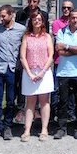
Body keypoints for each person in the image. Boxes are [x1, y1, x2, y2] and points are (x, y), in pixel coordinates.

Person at [0, 4, 26, 141]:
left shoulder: (21, 30)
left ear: (11, 15)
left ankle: (8, 125)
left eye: (4, 16)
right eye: (0, 16)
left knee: (10, 100)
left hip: (12, 69)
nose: (1, 18)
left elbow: (25, 46)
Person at [54, 8, 77, 140]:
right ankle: (61, 128)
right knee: (62, 101)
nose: (75, 20)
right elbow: (59, 51)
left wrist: (67, 47)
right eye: (73, 18)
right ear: (69, 18)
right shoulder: (61, 31)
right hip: (64, 72)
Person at [19, 13, 54, 142]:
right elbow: (22, 56)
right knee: (30, 102)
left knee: (45, 101)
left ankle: (44, 129)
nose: (37, 21)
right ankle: (27, 130)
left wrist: (42, 72)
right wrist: (29, 73)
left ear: (43, 22)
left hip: (44, 73)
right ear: (31, 21)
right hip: (29, 72)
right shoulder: (26, 37)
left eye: (39, 19)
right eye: (34, 19)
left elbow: (51, 55)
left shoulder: (47, 37)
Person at [50, 0, 73, 124]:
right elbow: (59, 44)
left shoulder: (75, 22)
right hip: (59, 60)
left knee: (71, 89)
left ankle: (70, 113)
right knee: (56, 89)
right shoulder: (56, 23)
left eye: (69, 8)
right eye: (64, 7)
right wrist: (72, 46)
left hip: (72, 62)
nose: (66, 10)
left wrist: (68, 45)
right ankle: (54, 112)